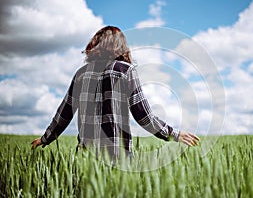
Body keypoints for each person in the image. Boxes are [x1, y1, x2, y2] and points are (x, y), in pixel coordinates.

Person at [31, 26, 199, 159]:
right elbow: (144, 116)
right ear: (121, 46)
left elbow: (64, 113)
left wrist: (46, 138)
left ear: (95, 44)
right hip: (118, 157)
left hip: (85, 158)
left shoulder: (81, 73)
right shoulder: (125, 71)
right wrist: (174, 134)